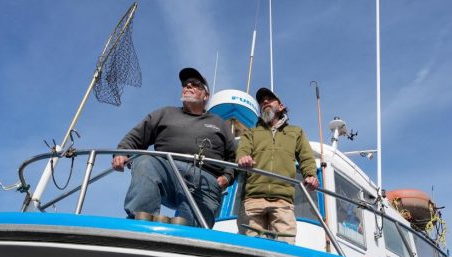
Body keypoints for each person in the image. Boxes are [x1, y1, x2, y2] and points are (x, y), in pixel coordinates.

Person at [112, 67, 236, 228]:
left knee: (193, 233)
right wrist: (121, 153)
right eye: (185, 84)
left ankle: (191, 239)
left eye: (195, 84)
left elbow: (235, 155)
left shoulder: (219, 123)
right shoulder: (164, 113)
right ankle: (140, 224)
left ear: (206, 95)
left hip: (205, 178)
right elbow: (135, 137)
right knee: (145, 161)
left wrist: (228, 176)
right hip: (166, 168)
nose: (188, 86)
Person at [236, 87, 319, 244]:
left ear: (281, 107)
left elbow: (306, 157)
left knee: (285, 247)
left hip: (283, 200)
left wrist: (311, 175)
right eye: (262, 101)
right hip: (253, 198)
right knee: (251, 248)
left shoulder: (296, 132)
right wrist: (243, 158)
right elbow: (242, 150)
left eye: (270, 99)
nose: (265, 102)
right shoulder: (251, 133)